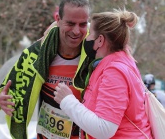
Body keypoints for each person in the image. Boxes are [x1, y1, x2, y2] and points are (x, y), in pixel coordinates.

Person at [0, 0, 93, 139]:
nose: (77, 31)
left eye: (82, 24)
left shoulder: (95, 56)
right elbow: (9, 88)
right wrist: (1, 99)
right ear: (58, 20)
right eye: (70, 24)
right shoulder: (37, 54)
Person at [54, 9, 153, 139]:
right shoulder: (120, 61)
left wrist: (67, 100)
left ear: (100, 40)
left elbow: (105, 128)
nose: (86, 38)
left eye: (90, 34)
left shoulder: (114, 72)